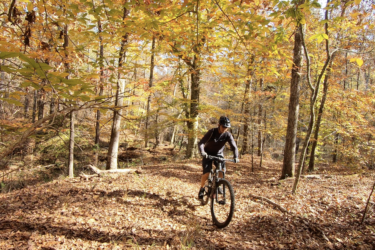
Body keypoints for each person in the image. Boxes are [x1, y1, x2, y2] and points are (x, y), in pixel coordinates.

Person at [197, 116, 239, 199]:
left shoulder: (227, 134)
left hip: (219, 154)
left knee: (222, 171)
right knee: (207, 173)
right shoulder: (212, 132)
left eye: (226, 127)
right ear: (219, 125)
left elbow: (234, 146)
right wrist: (202, 152)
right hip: (207, 154)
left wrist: (236, 156)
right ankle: (202, 188)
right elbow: (201, 143)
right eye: (223, 126)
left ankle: (218, 185)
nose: (224, 129)